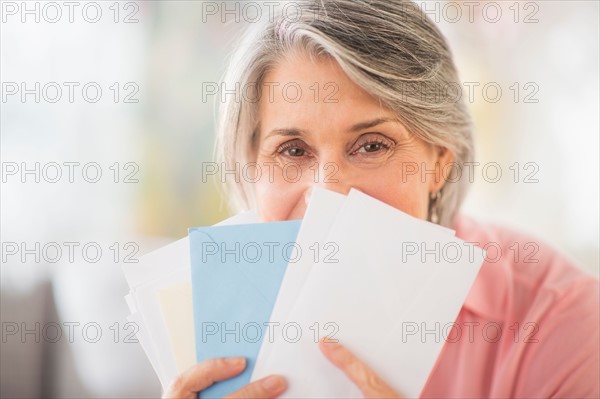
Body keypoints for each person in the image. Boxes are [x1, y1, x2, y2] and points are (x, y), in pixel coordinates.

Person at [164, 1, 600, 397]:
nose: (327, 196)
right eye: (293, 151)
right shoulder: (206, 329)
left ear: (440, 163)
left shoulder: (563, 323)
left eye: (371, 145)